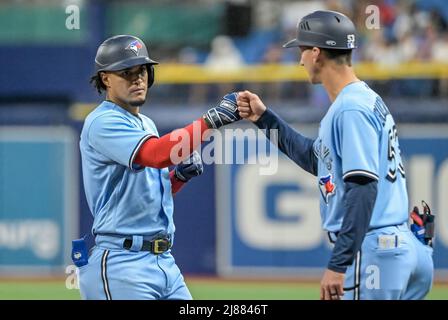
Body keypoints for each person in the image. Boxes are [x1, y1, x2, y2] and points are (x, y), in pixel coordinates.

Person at [236, 10, 434, 300]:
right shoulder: (363, 99)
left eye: (302, 50)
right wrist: (265, 118)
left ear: (316, 53)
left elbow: (363, 188)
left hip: (375, 251)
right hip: (400, 246)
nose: (300, 59)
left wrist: (338, 263)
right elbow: (316, 160)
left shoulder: (350, 109)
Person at [75, 35, 241, 300]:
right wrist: (210, 121)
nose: (137, 78)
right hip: (122, 263)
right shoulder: (102, 122)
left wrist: (177, 178)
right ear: (106, 78)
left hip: (164, 262)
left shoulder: (146, 123)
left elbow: (147, 196)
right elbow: (156, 155)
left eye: (141, 70)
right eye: (126, 72)